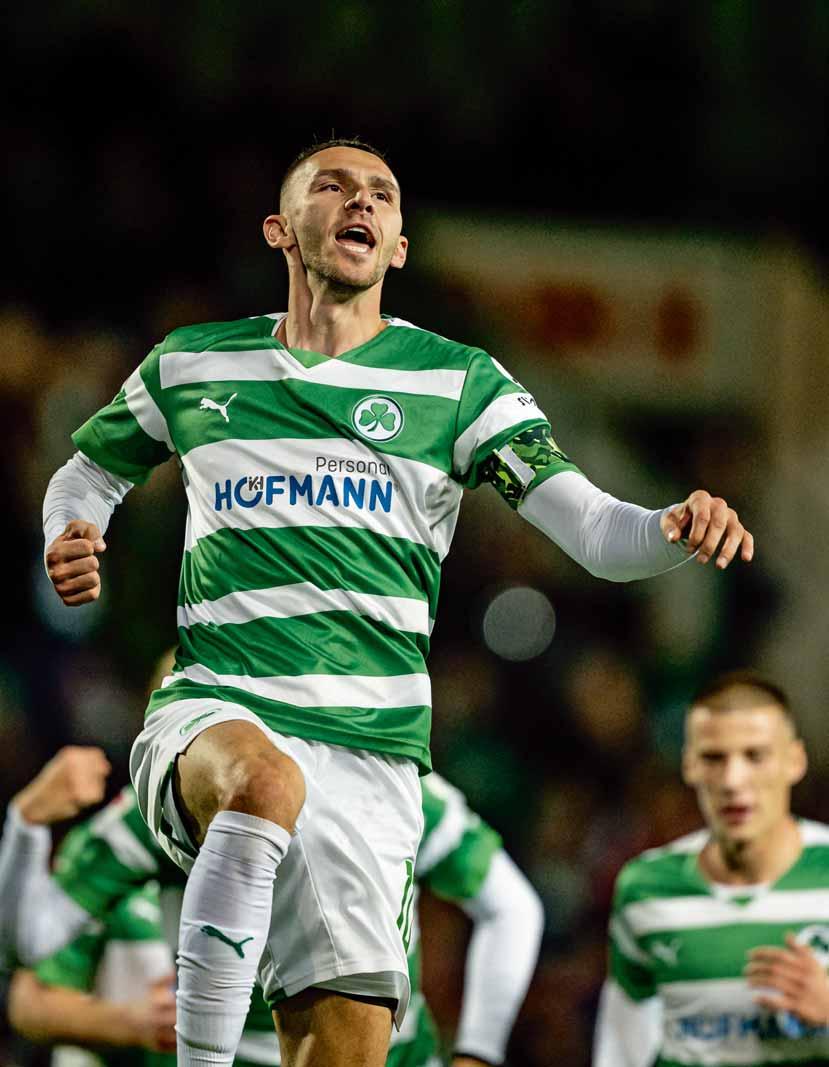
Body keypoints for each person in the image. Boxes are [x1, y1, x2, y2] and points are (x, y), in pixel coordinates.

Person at [42, 137, 753, 1067]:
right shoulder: (194, 363)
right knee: (262, 783)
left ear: (400, 245)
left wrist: (670, 527)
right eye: (332, 187)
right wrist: (72, 528)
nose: (360, 202)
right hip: (220, 704)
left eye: (380, 193)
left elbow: (591, 529)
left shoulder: (459, 384)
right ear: (279, 229)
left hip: (372, 762)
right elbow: (88, 471)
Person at [594, 670, 829, 1067]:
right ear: (689, 766)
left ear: (795, 761)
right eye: (714, 758)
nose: (733, 780)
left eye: (755, 756)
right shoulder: (645, 888)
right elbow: (620, 1049)